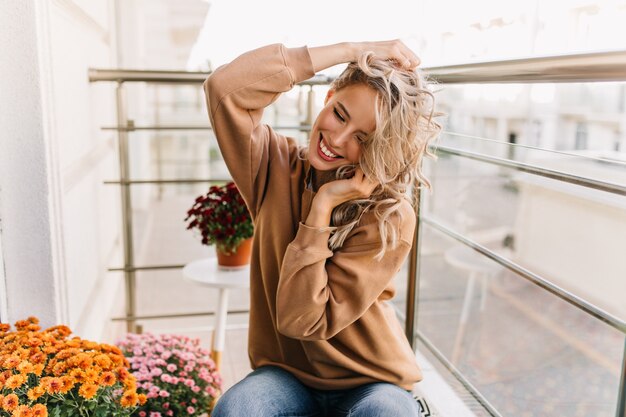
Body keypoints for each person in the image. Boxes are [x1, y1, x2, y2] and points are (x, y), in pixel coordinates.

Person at [204, 40, 441, 417]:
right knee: (237, 411)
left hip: (371, 381)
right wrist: (353, 49)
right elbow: (225, 89)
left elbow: (307, 320)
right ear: (328, 96)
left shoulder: (389, 215)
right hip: (284, 378)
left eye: (364, 139)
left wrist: (324, 205)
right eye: (340, 114)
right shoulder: (271, 166)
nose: (337, 139)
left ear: (382, 146)